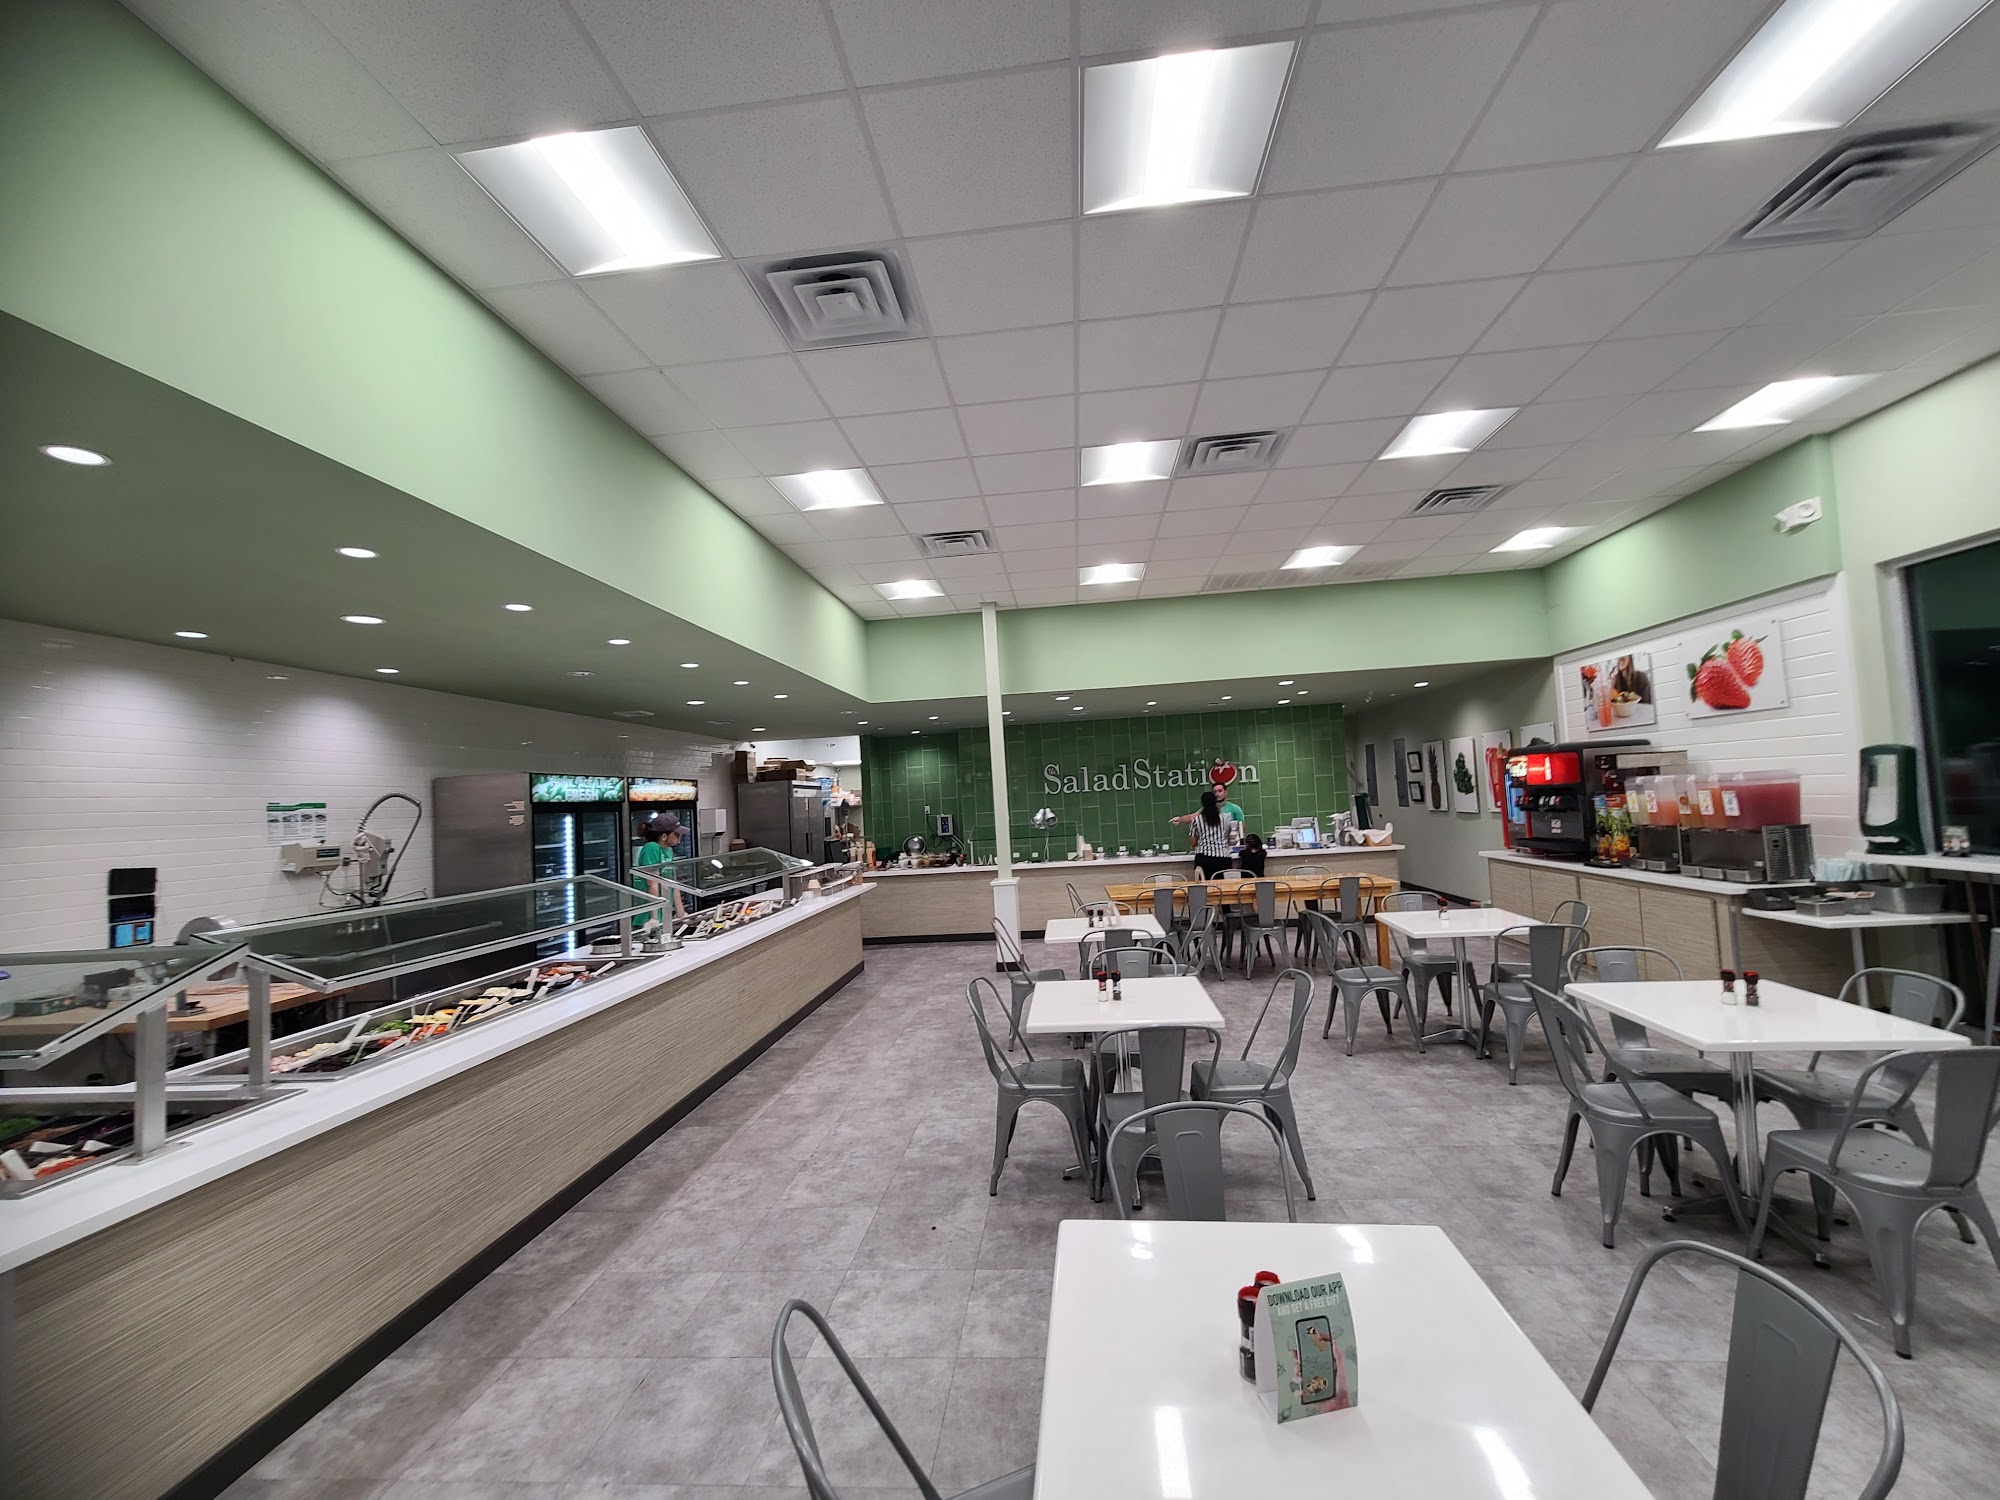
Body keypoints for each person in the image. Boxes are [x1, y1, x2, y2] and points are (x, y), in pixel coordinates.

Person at [632, 813, 685, 918]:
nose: (680, 837)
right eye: (676, 834)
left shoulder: (668, 850)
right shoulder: (651, 848)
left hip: (664, 912)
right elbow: (652, 884)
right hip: (648, 914)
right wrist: (654, 918)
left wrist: (681, 914)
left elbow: (673, 883)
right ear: (664, 836)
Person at [1179, 789, 1237, 879]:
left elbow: (1193, 842)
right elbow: (1229, 837)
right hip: (1223, 858)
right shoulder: (1226, 818)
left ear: (1202, 803)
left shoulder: (1196, 820)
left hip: (1204, 858)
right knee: (1223, 886)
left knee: (1204, 886)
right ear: (1215, 802)